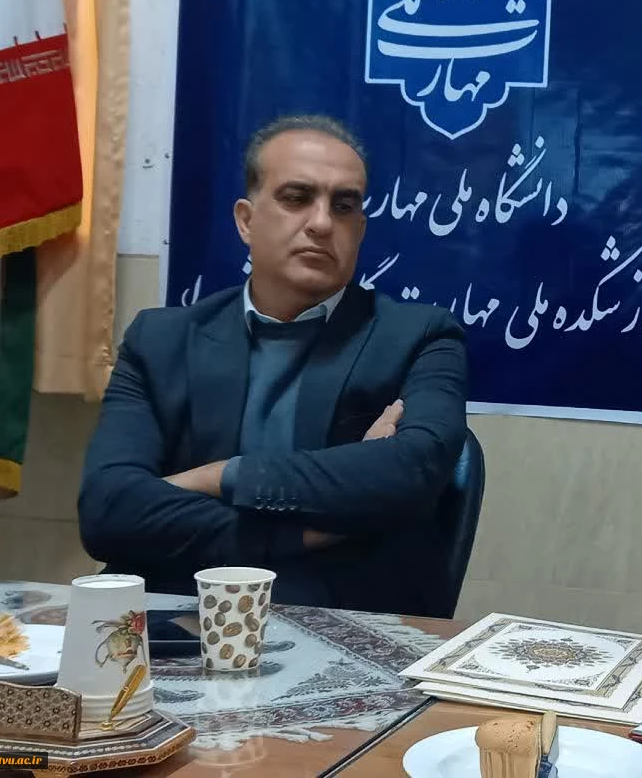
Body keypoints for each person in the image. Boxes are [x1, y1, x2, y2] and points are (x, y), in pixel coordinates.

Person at [79, 114, 468, 615]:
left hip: (347, 621)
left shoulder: (420, 336)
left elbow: (412, 472)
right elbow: (108, 512)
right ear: (246, 220)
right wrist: (307, 528)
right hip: (175, 615)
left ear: (360, 228)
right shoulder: (161, 340)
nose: (322, 223)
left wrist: (221, 476)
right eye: (296, 198)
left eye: (344, 206)